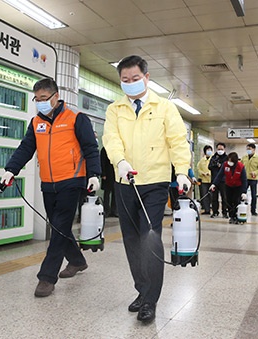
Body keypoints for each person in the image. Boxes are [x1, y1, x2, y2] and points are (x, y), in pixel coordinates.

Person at [102, 55, 191, 323]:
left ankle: (150, 300)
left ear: (147, 77)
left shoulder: (164, 107)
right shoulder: (114, 109)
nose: (129, 84)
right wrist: (119, 161)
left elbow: (177, 141)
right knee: (130, 240)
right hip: (125, 181)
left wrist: (183, 172)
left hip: (154, 181)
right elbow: (111, 139)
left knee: (150, 236)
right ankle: (142, 290)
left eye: (135, 79)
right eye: (124, 80)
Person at [0, 78, 101, 298]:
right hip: (48, 183)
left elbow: (91, 148)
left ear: (56, 96)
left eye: (44, 98)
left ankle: (46, 277)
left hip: (72, 181)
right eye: (37, 99)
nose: (40, 103)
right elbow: (26, 148)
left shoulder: (76, 118)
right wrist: (11, 170)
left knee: (58, 227)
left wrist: (94, 175)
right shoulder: (37, 122)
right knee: (58, 226)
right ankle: (77, 260)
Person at [210, 152, 247, 223]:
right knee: (229, 201)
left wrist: (244, 192)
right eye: (228, 160)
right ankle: (231, 216)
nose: (229, 162)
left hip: (238, 186)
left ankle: (235, 215)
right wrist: (214, 184)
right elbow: (219, 175)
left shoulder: (241, 166)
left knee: (236, 201)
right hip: (228, 185)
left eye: (231, 161)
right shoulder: (225, 165)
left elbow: (244, 180)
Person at [241, 143, 258, 216]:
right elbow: (240, 167)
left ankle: (253, 210)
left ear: (254, 150)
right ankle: (240, 208)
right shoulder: (244, 157)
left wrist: (255, 172)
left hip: (253, 179)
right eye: (247, 149)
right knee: (242, 194)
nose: (248, 150)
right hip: (244, 179)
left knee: (254, 195)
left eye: (249, 149)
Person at [208, 143, 228, 218]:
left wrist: (221, 166)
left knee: (224, 197)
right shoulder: (213, 157)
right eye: (219, 149)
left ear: (224, 149)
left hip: (223, 180)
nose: (220, 151)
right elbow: (210, 166)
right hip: (214, 180)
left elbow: (226, 167)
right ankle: (215, 211)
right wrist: (216, 165)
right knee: (214, 197)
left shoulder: (227, 158)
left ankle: (225, 212)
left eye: (221, 149)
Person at [100, 146, 117, 217]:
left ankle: (114, 210)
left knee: (114, 193)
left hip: (114, 174)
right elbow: (102, 162)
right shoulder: (104, 149)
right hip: (107, 174)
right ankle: (106, 210)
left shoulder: (115, 149)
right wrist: (103, 173)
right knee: (107, 193)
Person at [197, 145, 213, 214]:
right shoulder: (201, 161)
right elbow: (198, 168)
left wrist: (209, 173)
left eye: (210, 150)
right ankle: (207, 210)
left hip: (212, 180)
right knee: (204, 195)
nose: (209, 152)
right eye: (207, 150)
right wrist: (202, 173)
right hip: (204, 180)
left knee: (212, 196)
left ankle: (214, 210)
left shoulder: (213, 159)